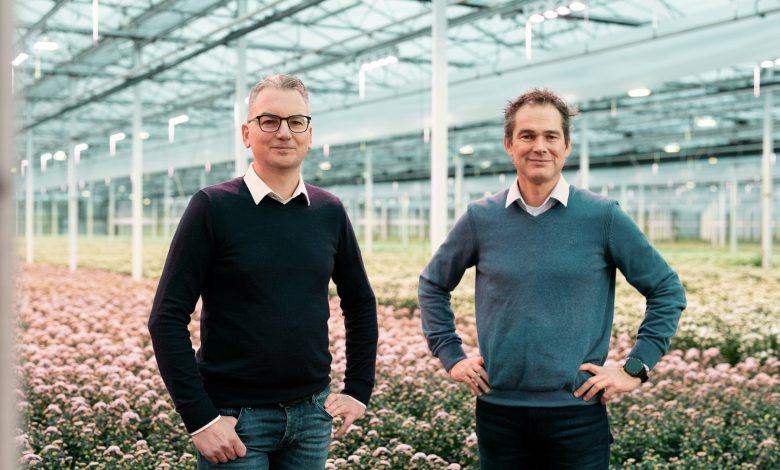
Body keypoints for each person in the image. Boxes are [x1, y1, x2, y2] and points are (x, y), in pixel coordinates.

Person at [418, 88, 686, 469]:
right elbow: (432, 284)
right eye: (527, 136)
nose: (539, 147)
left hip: (577, 414)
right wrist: (450, 354)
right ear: (509, 144)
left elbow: (666, 289)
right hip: (500, 413)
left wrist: (636, 368)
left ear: (566, 146)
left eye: (550, 136)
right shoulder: (481, 218)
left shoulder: (602, 217)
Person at [149, 74, 378, 469]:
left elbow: (359, 302)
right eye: (269, 121)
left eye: (296, 122)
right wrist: (200, 418)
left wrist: (358, 388)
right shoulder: (212, 207)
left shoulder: (329, 211)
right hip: (235, 420)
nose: (284, 132)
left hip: (312, 416)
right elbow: (166, 317)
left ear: (309, 134)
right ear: (246, 133)